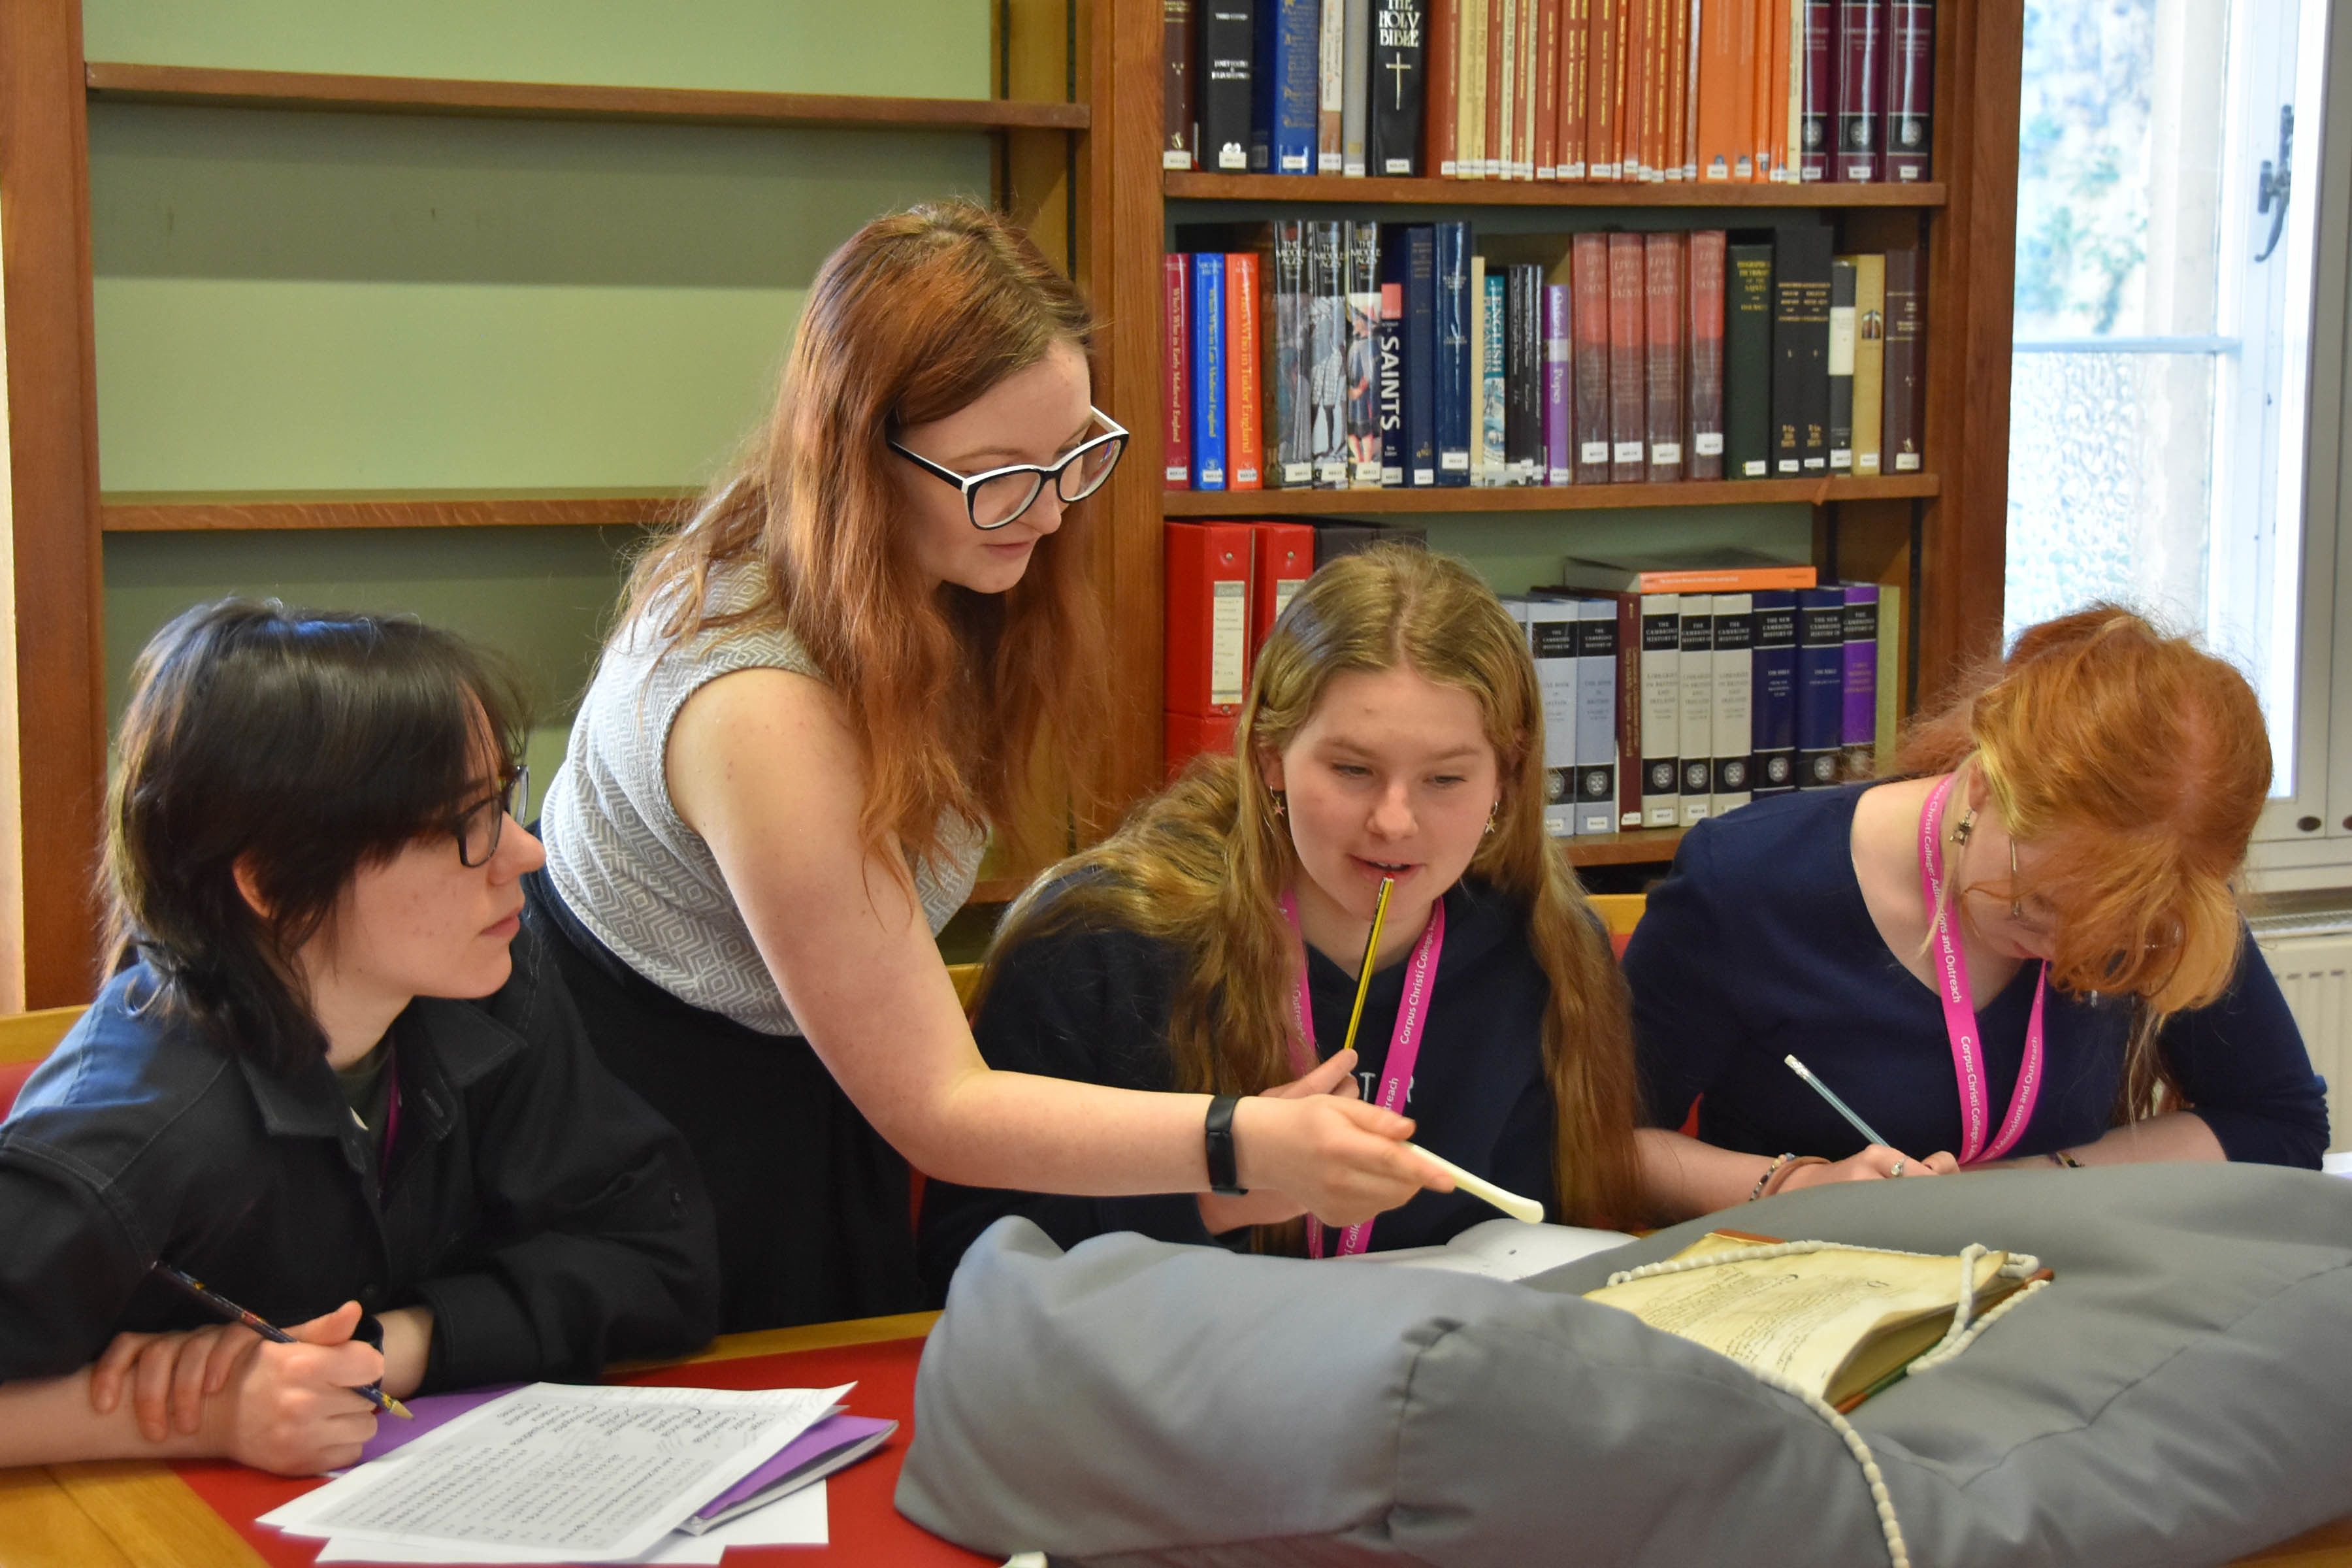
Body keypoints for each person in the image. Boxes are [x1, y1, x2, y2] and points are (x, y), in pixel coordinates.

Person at [526, 201, 1433, 1331]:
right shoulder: (756, 704)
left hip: (804, 1086)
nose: (1050, 511)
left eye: (1072, 456)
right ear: (858, 454)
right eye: (999, 473)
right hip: (649, 1108)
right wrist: (1238, 1142)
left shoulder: (930, 562)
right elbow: (938, 1104)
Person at [0, 601, 720, 1476]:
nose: (525, 854)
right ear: (273, 881)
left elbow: (664, 1262)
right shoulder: (123, 1132)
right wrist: (211, 1418)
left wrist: (383, 1349)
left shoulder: (490, 985)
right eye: (465, 826)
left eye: (504, 800)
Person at [919, 546, 1649, 1284]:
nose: (1395, 823)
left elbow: (1542, 1236)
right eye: (1353, 770)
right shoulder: (1097, 940)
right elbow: (965, 1263)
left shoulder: (1547, 951)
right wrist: (1222, 1197)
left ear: (1508, 776)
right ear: (1270, 756)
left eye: (1446, 779)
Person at [1628, 605, 2330, 1216]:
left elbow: (2279, 1122)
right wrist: (1795, 1186)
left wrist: (2036, 1181)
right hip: (1808, 1289)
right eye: (2037, 903)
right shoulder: (1751, 881)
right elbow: (1601, 1145)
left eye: (2107, 936)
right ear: (1989, 784)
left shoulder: (2158, 888)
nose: (2060, 948)